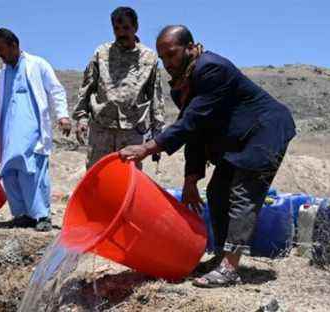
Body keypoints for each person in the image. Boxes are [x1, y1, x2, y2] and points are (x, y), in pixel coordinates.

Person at [119, 25, 296, 288]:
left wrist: (147, 148)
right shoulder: (181, 87)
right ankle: (222, 258)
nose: (167, 63)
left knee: (243, 193)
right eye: (163, 57)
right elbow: (196, 133)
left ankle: (229, 267)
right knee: (217, 192)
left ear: (190, 48)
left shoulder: (212, 69)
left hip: (264, 131)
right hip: (238, 140)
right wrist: (191, 179)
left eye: (172, 54)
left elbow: (191, 121)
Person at [0, 28, 72, 232]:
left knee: (33, 173)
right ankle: (23, 215)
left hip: (33, 135)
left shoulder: (37, 64)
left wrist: (62, 115)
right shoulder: (3, 74)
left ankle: (41, 216)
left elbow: (56, 90)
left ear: (13, 45)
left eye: (0, 49)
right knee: (10, 174)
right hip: (9, 135)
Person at [73, 6, 165, 169]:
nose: (121, 33)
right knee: (99, 176)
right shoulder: (101, 53)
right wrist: (82, 117)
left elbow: (155, 96)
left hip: (131, 131)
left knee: (127, 177)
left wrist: (157, 132)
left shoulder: (149, 58)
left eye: (126, 28)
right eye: (116, 28)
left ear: (136, 27)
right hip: (101, 129)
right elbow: (87, 86)